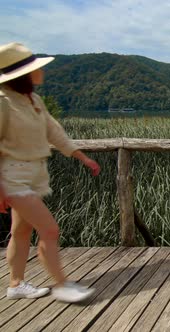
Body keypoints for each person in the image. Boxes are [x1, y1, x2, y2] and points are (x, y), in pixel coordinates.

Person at [0, 42, 101, 303]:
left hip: (35, 174)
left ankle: (15, 284)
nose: (41, 71)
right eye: (35, 68)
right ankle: (61, 285)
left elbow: (54, 132)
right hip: (13, 177)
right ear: (23, 74)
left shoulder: (33, 99)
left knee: (21, 232)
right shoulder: (2, 103)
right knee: (50, 229)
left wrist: (82, 157)